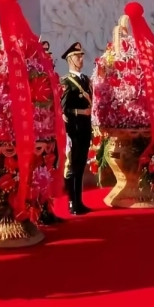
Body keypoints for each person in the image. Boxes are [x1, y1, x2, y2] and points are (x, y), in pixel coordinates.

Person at [60, 42, 93, 216]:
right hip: (74, 128)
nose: (81, 59)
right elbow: (63, 109)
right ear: (69, 59)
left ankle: (79, 201)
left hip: (85, 127)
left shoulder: (86, 80)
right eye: (77, 56)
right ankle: (72, 202)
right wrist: (80, 112)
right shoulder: (67, 82)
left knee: (80, 165)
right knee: (72, 165)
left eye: (81, 56)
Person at [37, 38, 66, 226]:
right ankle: (38, 211)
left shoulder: (51, 77)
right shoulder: (35, 77)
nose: (49, 57)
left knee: (49, 173)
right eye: (44, 54)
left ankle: (47, 209)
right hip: (39, 134)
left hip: (52, 133)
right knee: (39, 174)